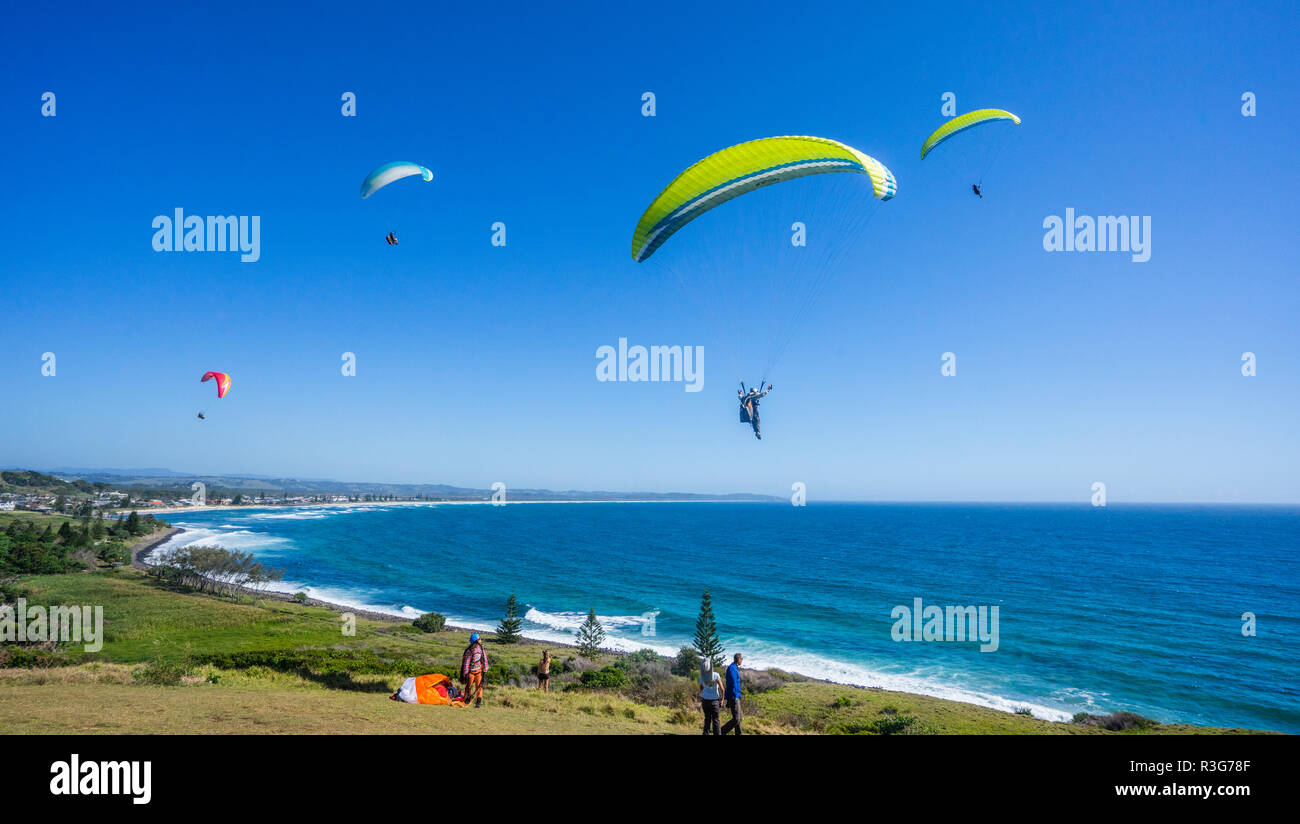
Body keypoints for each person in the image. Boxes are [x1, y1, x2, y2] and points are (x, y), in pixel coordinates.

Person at [460, 633, 489, 708]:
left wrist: (485, 669)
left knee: (476, 687)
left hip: (477, 672)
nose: (481, 640)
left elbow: (484, 659)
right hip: (472, 672)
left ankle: (476, 702)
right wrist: (466, 673)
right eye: (479, 639)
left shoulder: (479, 649)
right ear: (476, 641)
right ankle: (471, 701)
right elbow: (467, 662)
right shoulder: (470, 651)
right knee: (471, 687)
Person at [699, 658, 724, 735]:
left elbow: (701, 688)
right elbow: (722, 689)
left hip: (705, 701)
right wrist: (722, 699)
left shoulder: (701, 677)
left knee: (707, 720)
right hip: (714, 701)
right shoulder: (716, 675)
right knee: (716, 720)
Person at [721, 652, 744, 735]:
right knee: (737, 719)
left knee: (739, 717)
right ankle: (721, 731)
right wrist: (733, 697)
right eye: (742, 659)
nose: (742, 660)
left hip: (736, 696)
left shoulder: (734, 667)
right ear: (738, 659)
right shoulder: (732, 669)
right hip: (734, 697)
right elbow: (732, 684)